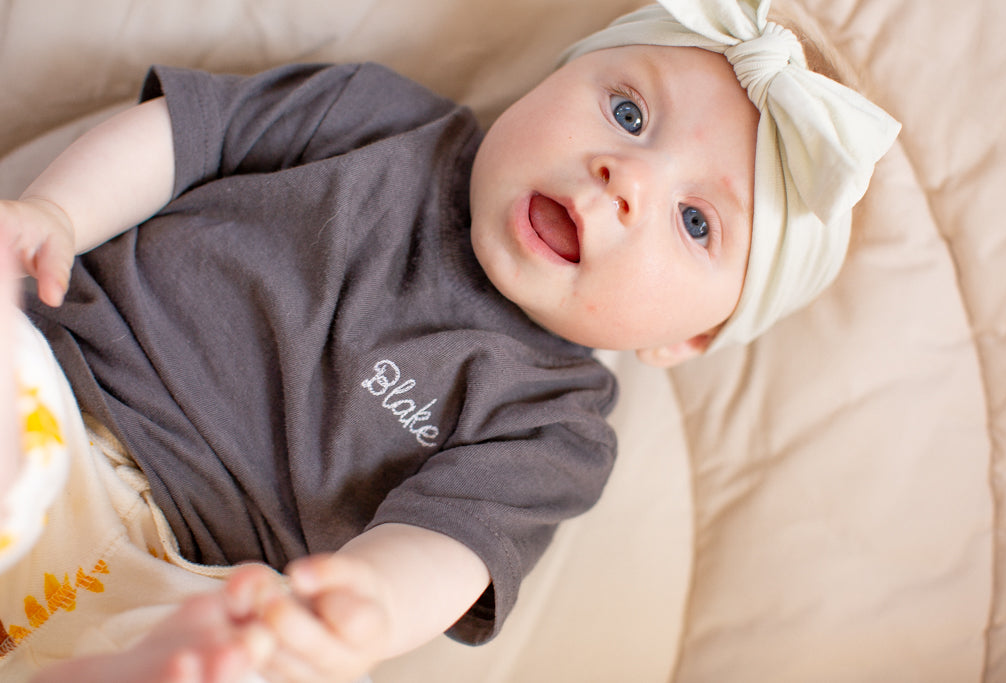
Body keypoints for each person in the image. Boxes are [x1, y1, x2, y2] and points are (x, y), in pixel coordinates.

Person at [0, 0, 900, 681]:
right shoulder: (379, 118)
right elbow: (186, 134)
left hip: (190, 578)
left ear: (689, 339)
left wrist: (363, 603)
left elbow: (446, 549)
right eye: (628, 113)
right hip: (50, 386)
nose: (624, 176)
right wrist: (57, 212)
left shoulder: (554, 429)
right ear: (555, 78)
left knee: (263, 663)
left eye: (697, 220)